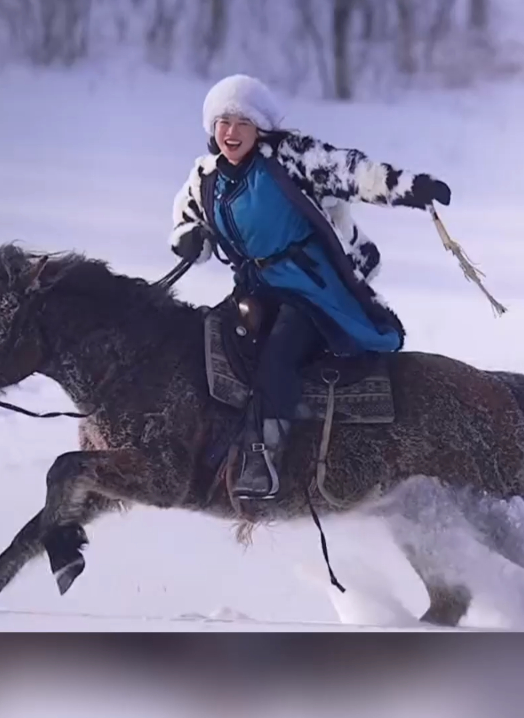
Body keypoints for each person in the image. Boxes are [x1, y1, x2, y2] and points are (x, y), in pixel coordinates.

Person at [170, 74, 451, 501]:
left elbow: (350, 171)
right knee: (211, 344)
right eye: (222, 122)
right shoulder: (205, 176)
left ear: (260, 127)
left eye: (241, 122)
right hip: (253, 288)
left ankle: (263, 454)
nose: (230, 132)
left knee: (278, 354)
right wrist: (189, 235)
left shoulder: (289, 157)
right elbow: (188, 217)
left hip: (309, 287)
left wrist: (410, 188)